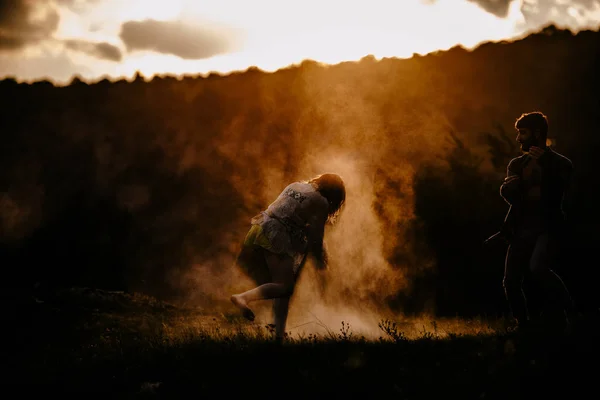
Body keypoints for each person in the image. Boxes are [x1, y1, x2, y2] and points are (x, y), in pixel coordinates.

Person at [230, 173, 346, 340]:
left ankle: (278, 334)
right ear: (334, 195)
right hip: (277, 236)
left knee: (284, 289)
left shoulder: (296, 185)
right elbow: (316, 237)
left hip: (262, 227)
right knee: (285, 287)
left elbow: (289, 213)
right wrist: (321, 260)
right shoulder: (321, 201)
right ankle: (242, 298)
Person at [497, 111, 575, 330]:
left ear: (537, 133)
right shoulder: (516, 164)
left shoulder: (560, 163)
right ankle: (523, 325)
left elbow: (561, 189)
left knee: (538, 268)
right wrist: (507, 189)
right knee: (510, 281)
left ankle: (568, 313)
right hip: (521, 227)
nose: (519, 138)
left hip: (548, 226)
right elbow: (513, 197)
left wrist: (545, 164)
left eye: (523, 132)